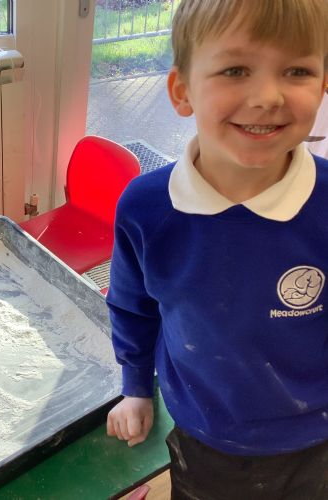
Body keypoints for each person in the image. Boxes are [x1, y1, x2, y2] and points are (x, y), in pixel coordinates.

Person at [105, 0, 328, 498]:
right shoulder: (145, 208)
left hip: (313, 440)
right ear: (182, 90)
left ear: (323, 84)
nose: (268, 96)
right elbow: (132, 307)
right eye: (235, 70)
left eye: (296, 71)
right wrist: (136, 386)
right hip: (202, 433)